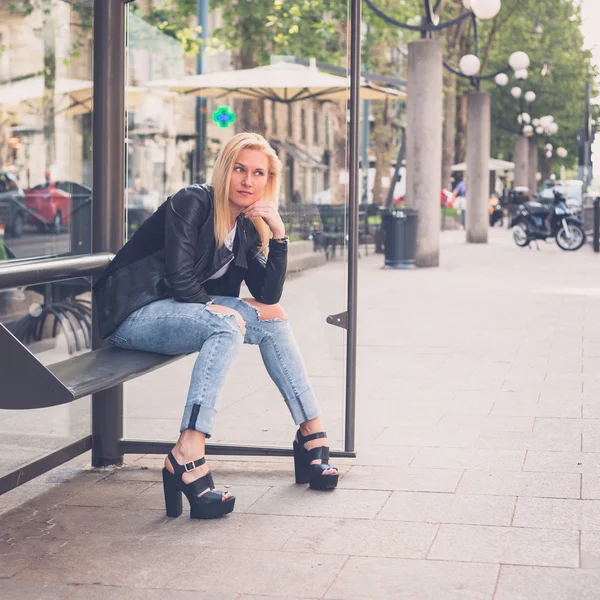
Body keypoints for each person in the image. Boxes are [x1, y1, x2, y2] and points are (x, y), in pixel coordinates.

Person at [93, 132, 338, 521]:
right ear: (225, 170)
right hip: (133, 313)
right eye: (240, 169)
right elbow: (181, 282)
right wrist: (225, 311)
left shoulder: (242, 225)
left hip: (179, 309)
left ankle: (310, 433)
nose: (247, 180)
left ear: (267, 182)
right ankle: (187, 452)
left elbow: (268, 294)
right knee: (227, 325)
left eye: (258, 173)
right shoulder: (193, 202)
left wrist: (278, 233)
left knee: (273, 321)